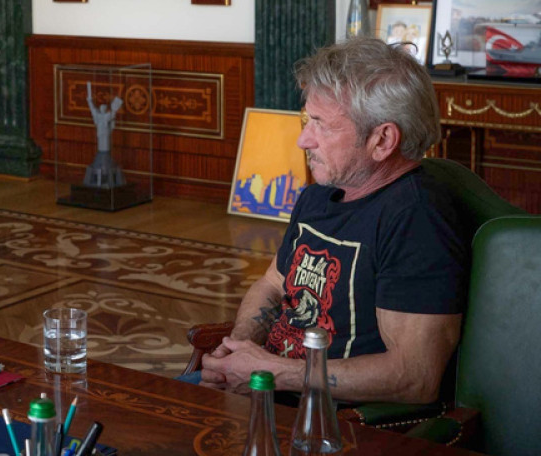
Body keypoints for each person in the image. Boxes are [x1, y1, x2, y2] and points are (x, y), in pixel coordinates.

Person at [198, 37, 469, 405]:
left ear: (382, 140)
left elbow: (413, 376)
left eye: (321, 125)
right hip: (264, 388)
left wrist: (271, 371)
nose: (303, 140)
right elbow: (272, 284)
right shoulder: (318, 196)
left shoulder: (417, 220)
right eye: (307, 120)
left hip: (329, 421)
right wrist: (238, 349)